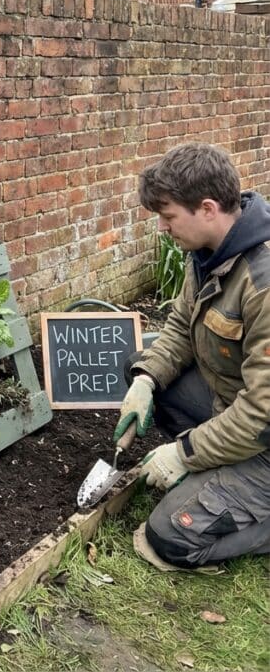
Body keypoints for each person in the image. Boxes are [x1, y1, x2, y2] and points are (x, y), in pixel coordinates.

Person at [114, 142, 270, 570]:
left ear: (206, 208)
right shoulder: (207, 253)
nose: (163, 228)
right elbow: (181, 328)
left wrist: (182, 454)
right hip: (234, 405)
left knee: (169, 536)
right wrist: (145, 381)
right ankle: (216, 478)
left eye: (168, 217)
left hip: (264, 437)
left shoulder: (264, 283)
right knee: (139, 365)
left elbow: (262, 415)